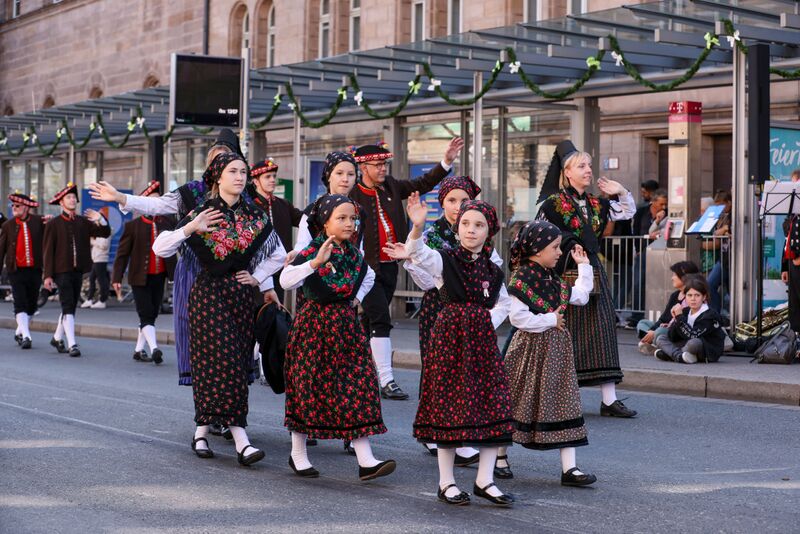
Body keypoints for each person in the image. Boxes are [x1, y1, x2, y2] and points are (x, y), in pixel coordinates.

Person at [87, 129, 274, 387]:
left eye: (230, 163)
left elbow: (263, 246)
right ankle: (206, 398)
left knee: (232, 342)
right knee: (196, 335)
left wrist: (265, 284)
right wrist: (121, 198)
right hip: (194, 272)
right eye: (216, 162)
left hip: (233, 277)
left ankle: (228, 404)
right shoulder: (191, 193)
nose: (224, 168)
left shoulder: (246, 199)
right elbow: (156, 206)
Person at [153, 152, 286, 466]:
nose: (239, 177)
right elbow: (161, 247)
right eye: (232, 171)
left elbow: (279, 254)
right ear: (217, 177)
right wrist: (190, 228)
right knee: (220, 362)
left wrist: (257, 277)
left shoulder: (255, 214)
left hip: (239, 296)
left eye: (243, 172)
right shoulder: (203, 212)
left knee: (236, 366)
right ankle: (242, 441)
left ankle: (201, 431)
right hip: (208, 296)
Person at [385, 194, 514, 507]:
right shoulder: (447, 258)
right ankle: (446, 482)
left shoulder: (494, 270)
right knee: (449, 407)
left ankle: (485, 480)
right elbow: (419, 254)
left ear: (489, 231)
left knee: (491, 405)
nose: (471, 229)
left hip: (482, 343)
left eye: (479, 225)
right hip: (450, 340)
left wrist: (486, 319)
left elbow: (505, 303)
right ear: (457, 229)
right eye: (466, 223)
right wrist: (417, 228)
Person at [280, 194, 396, 481]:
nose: (349, 223)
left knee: (358, 385)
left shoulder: (354, 254)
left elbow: (368, 277)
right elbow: (285, 280)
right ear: (325, 221)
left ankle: (366, 459)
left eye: (352, 218)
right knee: (307, 386)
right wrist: (313, 264)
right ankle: (298, 454)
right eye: (341, 218)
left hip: (346, 327)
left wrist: (354, 298)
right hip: (314, 326)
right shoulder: (312, 250)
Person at [350, 137, 465, 401]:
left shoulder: (390, 186)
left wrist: (446, 160)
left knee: (368, 322)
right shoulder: (352, 195)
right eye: (378, 165)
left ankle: (363, 373)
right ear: (363, 167)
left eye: (385, 164)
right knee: (380, 318)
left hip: (392, 265)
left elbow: (421, 184)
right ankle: (387, 380)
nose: (383, 169)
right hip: (366, 269)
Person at [397, 175, 496, 466]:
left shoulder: (478, 231)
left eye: (463, 201)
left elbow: (494, 270)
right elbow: (421, 271)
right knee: (437, 367)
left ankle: (460, 430)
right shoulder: (433, 234)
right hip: (439, 306)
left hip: (472, 312)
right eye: (451, 201)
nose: (458, 207)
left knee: (465, 370)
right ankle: (434, 431)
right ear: (442, 203)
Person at [536, 140, 638, 418]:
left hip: (592, 269)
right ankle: (558, 396)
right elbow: (540, 233)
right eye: (581, 165)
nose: (588, 170)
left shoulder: (596, 203)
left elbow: (627, 212)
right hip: (565, 271)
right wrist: (567, 244)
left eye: (589, 165)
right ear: (567, 172)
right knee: (566, 333)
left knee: (603, 328)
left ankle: (609, 400)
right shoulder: (554, 203)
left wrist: (622, 191)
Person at [501, 220, 597, 487]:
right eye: (555, 247)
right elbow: (518, 318)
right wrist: (549, 320)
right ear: (538, 247)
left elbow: (580, 296)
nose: (558, 252)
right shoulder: (521, 278)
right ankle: (499, 456)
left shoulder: (550, 278)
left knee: (564, 399)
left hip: (557, 350)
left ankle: (570, 468)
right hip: (529, 349)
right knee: (518, 397)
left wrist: (583, 266)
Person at [42, 183, 111, 357]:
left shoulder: (82, 222)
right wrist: (48, 276)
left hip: (78, 270)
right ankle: (72, 344)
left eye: (74, 197)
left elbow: (104, 232)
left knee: (70, 305)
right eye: (69, 198)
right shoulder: (54, 224)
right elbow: (48, 252)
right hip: (61, 270)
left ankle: (57, 337)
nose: (72, 200)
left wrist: (101, 218)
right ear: (61, 203)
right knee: (67, 304)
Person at [111, 181, 177, 364]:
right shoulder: (133, 226)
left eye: (158, 200)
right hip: (138, 277)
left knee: (152, 313)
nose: (156, 205)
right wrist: (116, 277)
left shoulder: (168, 222)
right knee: (146, 313)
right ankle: (155, 348)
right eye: (152, 201)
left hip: (160, 275)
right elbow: (122, 254)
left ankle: (139, 350)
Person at [250, 157, 303, 303]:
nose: (272, 180)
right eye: (267, 177)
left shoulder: (283, 205)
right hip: (256, 271)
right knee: (259, 314)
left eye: (274, 176)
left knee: (276, 312)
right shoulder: (250, 208)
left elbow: (305, 220)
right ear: (255, 181)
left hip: (280, 268)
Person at [0, 193, 44, 349]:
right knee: (20, 303)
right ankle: (26, 336)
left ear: (25, 207)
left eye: (17, 206)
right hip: (15, 270)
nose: (14, 208)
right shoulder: (8, 226)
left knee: (32, 305)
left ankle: (20, 331)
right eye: (12, 206)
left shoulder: (39, 222)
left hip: (35, 269)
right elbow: (1, 251)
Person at [654, 275, 726, 364]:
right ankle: (682, 356)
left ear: (704, 297)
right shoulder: (685, 311)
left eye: (697, 295)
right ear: (685, 297)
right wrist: (675, 320)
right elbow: (673, 336)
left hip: (707, 350)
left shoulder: (710, 315)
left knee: (693, 343)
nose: (693, 299)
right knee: (661, 338)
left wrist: (679, 317)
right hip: (686, 343)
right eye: (689, 295)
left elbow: (693, 335)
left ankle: (672, 355)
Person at [637, 261, 700, 355]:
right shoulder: (675, 295)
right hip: (667, 327)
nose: (672, 278)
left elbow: (686, 323)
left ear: (684, 276)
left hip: (678, 332)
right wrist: (652, 330)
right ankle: (654, 342)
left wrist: (656, 332)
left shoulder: (693, 297)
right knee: (642, 323)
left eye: (674, 275)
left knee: (660, 332)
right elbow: (663, 318)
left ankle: (655, 344)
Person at [628, 189, 668, 326]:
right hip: (643, 250)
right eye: (661, 204)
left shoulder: (666, 214)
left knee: (655, 283)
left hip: (659, 252)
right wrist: (637, 249)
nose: (663, 207)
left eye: (665, 204)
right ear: (654, 202)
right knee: (639, 282)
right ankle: (636, 315)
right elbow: (637, 230)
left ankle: (654, 314)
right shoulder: (642, 211)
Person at [703, 190, 732, 314]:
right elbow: (717, 233)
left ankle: (727, 314)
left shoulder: (733, 214)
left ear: (729, 203)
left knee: (730, 290)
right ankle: (715, 313)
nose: (720, 208)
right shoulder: (721, 216)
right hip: (723, 257)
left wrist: (726, 229)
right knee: (710, 284)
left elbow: (728, 231)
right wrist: (724, 230)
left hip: (732, 258)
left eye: (722, 204)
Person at [781, 169, 800, 333]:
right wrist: (784, 267)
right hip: (792, 261)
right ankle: (795, 341)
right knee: (794, 304)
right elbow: (787, 241)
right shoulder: (792, 212)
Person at [82, 233, 110, 309]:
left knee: (102, 280)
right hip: (96, 258)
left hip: (101, 259)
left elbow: (104, 245)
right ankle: (89, 299)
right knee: (92, 278)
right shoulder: (98, 233)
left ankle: (102, 300)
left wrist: (93, 242)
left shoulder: (105, 232)